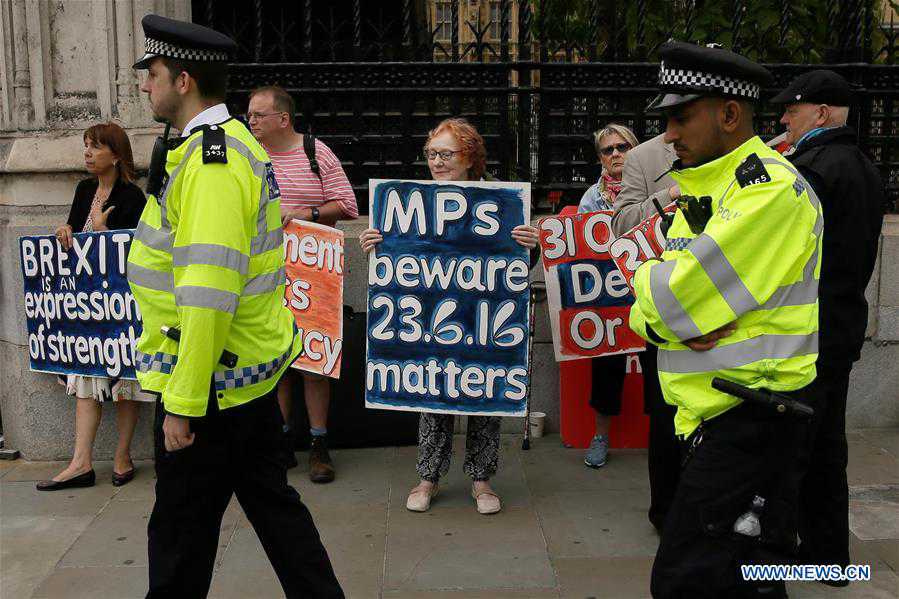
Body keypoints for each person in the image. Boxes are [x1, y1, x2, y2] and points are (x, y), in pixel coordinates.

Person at [128, 15, 343, 598]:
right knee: (277, 515)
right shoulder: (224, 145)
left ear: (184, 81)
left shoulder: (211, 164)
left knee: (179, 536)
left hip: (209, 383)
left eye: (153, 73)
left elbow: (208, 296)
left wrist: (183, 405)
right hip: (240, 377)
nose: (145, 84)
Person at [627, 42, 824, 598]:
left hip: (752, 418)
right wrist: (658, 306)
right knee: (743, 579)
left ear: (730, 114)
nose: (668, 134)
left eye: (681, 117)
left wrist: (650, 283)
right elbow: (661, 307)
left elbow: (671, 299)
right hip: (717, 416)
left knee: (685, 582)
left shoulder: (768, 191)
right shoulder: (712, 186)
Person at [359, 117, 539, 515]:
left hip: (483, 315)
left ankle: (482, 480)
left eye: (446, 154)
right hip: (431, 317)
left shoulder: (502, 200)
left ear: (470, 157)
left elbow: (515, 268)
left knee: (485, 391)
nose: (437, 162)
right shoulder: (410, 203)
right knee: (432, 389)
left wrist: (531, 244)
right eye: (431, 154)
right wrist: (374, 244)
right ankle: (428, 476)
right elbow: (395, 264)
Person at [771, 69, 885, 580]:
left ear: (820, 113)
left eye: (791, 110)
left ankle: (787, 557)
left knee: (795, 448)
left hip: (808, 329)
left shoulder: (811, 170)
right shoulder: (860, 164)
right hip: (840, 323)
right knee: (827, 446)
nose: (783, 120)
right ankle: (829, 555)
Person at [247, 84, 358, 482]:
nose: (251, 121)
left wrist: (302, 214)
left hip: (313, 273)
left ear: (283, 119)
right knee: (274, 361)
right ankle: (280, 443)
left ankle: (318, 443)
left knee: (314, 362)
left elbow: (348, 205)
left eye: (258, 115)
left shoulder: (316, 152)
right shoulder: (249, 155)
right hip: (265, 273)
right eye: (249, 114)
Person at [37, 122, 151, 491]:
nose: (87, 153)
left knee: (125, 380)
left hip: (122, 305)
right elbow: (73, 234)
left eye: (96, 147)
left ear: (116, 155)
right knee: (86, 377)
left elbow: (139, 251)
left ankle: (122, 456)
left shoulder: (133, 197)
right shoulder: (84, 190)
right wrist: (66, 231)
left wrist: (104, 233)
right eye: (86, 145)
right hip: (88, 307)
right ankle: (80, 462)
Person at [610, 132, 682, 531]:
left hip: (726, 315)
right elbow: (620, 223)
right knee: (666, 416)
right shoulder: (644, 157)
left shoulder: (745, 157)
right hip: (666, 311)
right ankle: (667, 515)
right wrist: (667, 196)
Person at [577, 123, 638, 468]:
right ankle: (600, 437)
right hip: (608, 296)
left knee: (657, 365)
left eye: (623, 147)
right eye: (608, 149)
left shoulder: (652, 187)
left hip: (648, 292)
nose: (616, 154)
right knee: (606, 368)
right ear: (600, 157)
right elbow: (579, 247)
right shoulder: (591, 198)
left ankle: (667, 436)